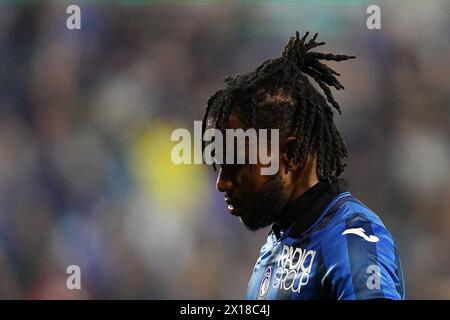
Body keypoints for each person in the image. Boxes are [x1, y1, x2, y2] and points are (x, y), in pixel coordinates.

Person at [201, 31, 405, 300]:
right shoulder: (276, 245)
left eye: (237, 165)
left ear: (292, 154)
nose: (222, 182)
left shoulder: (353, 238)